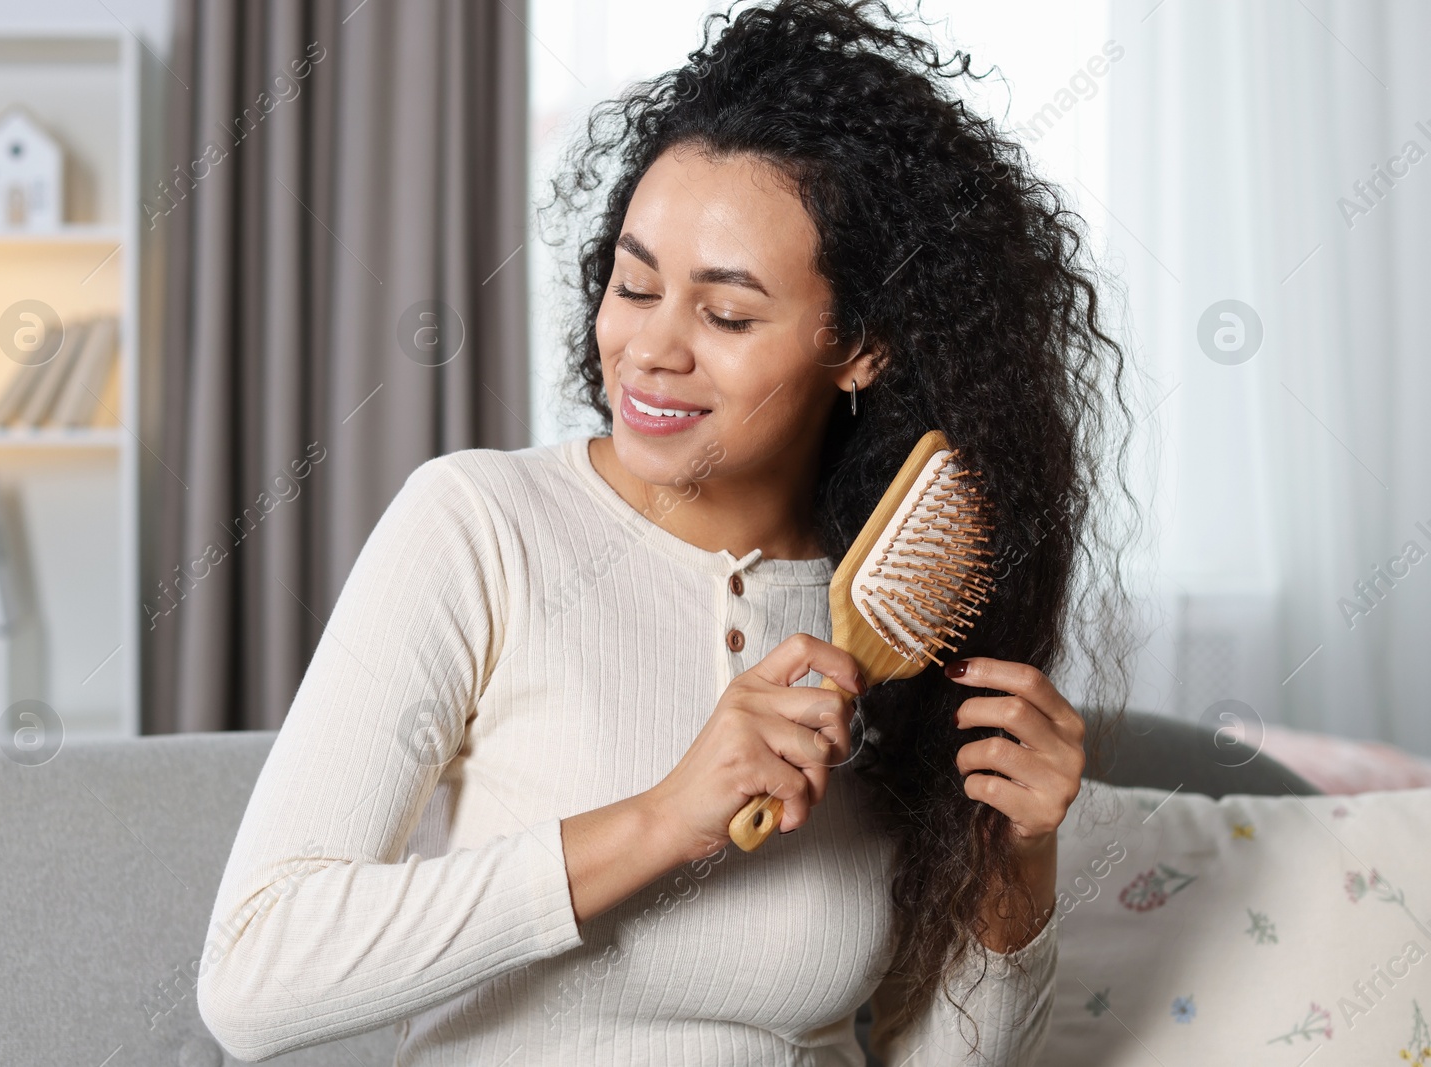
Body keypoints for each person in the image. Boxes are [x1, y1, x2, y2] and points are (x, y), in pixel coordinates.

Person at [198, 1, 1138, 1063]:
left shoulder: (896, 611)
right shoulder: (479, 528)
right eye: (632, 283)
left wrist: (1019, 863)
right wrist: (665, 817)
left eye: (727, 316)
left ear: (862, 345)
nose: (649, 348)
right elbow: (254, 975)